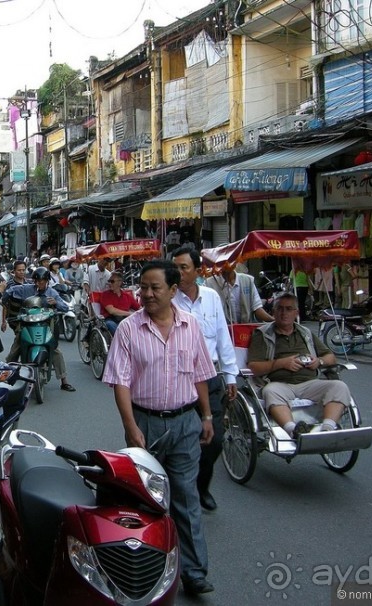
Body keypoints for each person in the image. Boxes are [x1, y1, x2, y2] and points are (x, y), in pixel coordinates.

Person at [102, 260, 216, 596]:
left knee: (185, 497)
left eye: (155, 288)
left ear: (172, 290)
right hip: (145, 424)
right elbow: (120, 382)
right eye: (144, 287)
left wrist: (206, 416)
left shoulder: (190, 326)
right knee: (143, 501)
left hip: (184, 423)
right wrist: (131, 427)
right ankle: (142, 570)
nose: (147, 294)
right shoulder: (128, 329)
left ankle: (194, 572)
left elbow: (200, 374)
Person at [171, 247, 238, 512]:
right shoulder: (169, 300)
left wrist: (231, 374)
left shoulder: (211, 297)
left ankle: (201, 486)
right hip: (180, 379)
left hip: (210, 376)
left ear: (197, 270)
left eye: (184, 267)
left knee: (215, 440)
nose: (178, 272)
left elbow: (222, 336)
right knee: (183, 440)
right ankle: (181, 493)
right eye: (174, 267)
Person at [247, 291, 350, 438]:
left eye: (289, 309)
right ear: (273, 312)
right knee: (270, 391)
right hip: (280, 384)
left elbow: (330, 357)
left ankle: (327, 429)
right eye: (280, 309)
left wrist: (318, 361)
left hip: (309, 383)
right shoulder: (262, 334)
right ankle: (293, 431)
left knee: (339, 387)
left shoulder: (305, 332)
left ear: (296, 312)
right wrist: (281, 363)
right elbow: (253, 367)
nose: (284, 313)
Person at [2, 267, 76, 392]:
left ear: (47, 281)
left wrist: (56, 303)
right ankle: (6, 375)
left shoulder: (52, 293)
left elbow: (64, 307)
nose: (39, 283)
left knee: (56, 350)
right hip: (27, 326)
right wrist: (5, 297)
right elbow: (10, 291)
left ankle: (64, 380)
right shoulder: (25, 289)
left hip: (46, 327)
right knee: (17, 347)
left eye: (42, 281)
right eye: (37, 280)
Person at [205, 267, 273, 324]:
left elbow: (257, 308)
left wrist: (273, 320)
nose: (227, 265)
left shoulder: (247, 280)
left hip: (245, 330)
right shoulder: (209, 283)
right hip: (223, 330)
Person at [0, 259, 30, 362]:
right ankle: (10, 362)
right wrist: (3, 322)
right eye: (19, 270)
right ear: (14, 271)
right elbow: (5, 305)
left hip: (30, 317)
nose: (21, 272)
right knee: (21, 337)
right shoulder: (10, 285)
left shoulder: (29, 283)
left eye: (23, 270)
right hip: (15, 318)